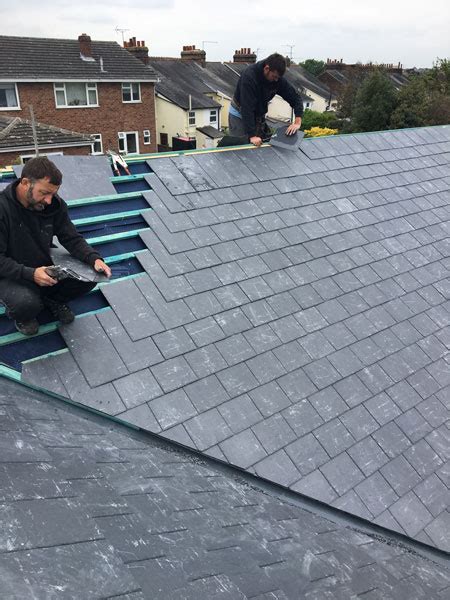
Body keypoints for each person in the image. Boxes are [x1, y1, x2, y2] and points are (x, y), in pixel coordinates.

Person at [0, 156, 112, 336]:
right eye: (44, 193)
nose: (49, 200)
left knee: (91, 276)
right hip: (10, 274)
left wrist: (93, 258)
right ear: (25, 182)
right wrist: (31, 274)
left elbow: (71, 237)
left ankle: (53, 299)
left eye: (53, 193)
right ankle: (24, 316)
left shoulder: (53, 205)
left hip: (42, 266)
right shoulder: (3, 209)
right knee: (26, 303)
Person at [228, 53, 303, 146]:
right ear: (266, 69)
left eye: (278, 78)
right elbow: (247, 108)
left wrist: (297, 121)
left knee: (262, 145)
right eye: (274, 77)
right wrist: (252, 135)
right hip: (239, 114)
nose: (276, 80)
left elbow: (295, 98)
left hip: (258, 113)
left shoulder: (277, 80)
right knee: (241, 148)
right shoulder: (249, 77)